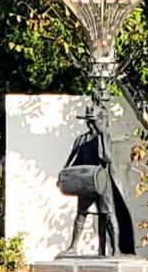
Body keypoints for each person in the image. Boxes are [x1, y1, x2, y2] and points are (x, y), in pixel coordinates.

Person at [58, 105, 136, 257]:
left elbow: (106, 158)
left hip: (102, 182)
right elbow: (71, 161)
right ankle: (73, 247)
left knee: (108, 214)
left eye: (93, 121)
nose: (91, 124)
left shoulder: (104, 138)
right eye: (89, 121)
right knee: (81, 214)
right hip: (86, 182)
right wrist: (65, 176)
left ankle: (116, 249)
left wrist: (102, 135)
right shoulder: (81, 140)